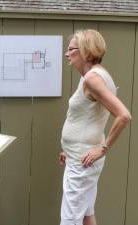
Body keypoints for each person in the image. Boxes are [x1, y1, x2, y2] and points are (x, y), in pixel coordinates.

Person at [59, 29, 131, 225]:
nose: (67, 54)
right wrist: (68, 149)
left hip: (82, 163)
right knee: (86, 215)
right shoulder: (95, 75)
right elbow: (88, 117)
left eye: (70, 49)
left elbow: (124, 116)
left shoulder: (92, 78)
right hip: (81, 157)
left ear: (85, 51)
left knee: (70, 220)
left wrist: (103, 148)